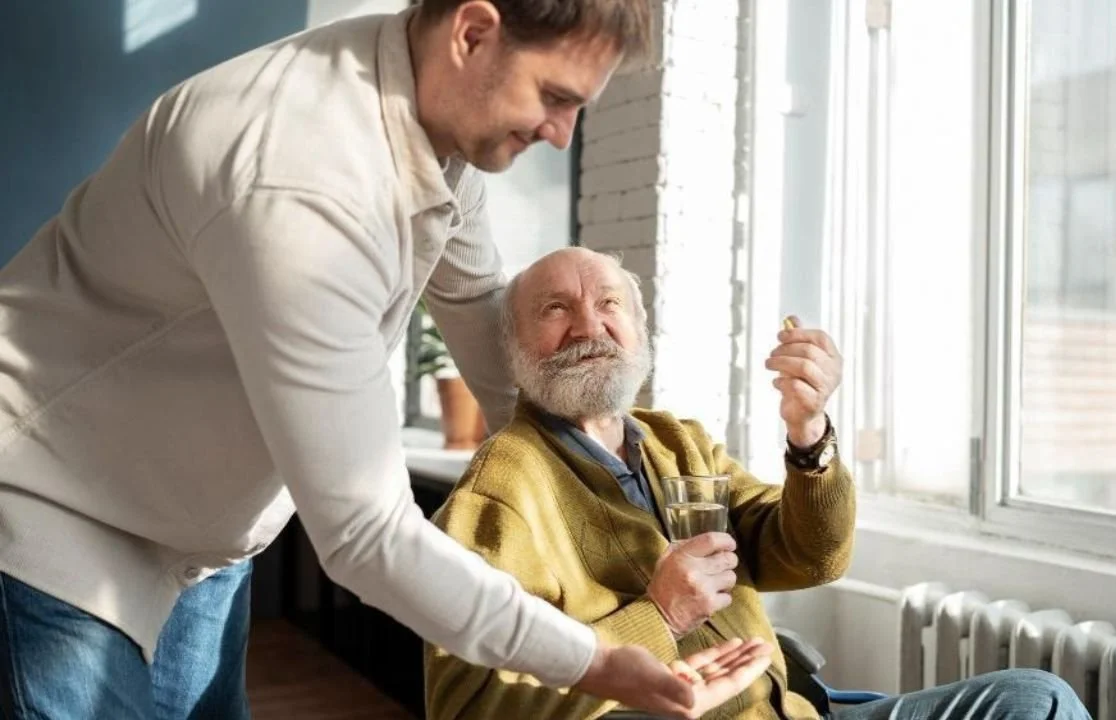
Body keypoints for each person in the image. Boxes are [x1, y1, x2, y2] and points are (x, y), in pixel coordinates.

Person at [0, 3, 772, 719]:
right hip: (60, 513)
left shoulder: (434, 126)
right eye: (556, 96)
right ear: (473, 33)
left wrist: (595, 482)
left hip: (197, 546)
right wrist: (600, 657)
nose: (563, 134)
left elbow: (477, 309)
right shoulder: (299, 179)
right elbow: (366, 534)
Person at [425, 247, 1093, 720]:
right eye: (554, 309)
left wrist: (809, 435)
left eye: (608, 304)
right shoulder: (502, 490)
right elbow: (469, 707)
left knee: (1037, 698)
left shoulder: (674, 441)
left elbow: (809, 554)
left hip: (797, 707)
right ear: (514, 349)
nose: (588, 325)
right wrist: (658, 616)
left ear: (638, 331)